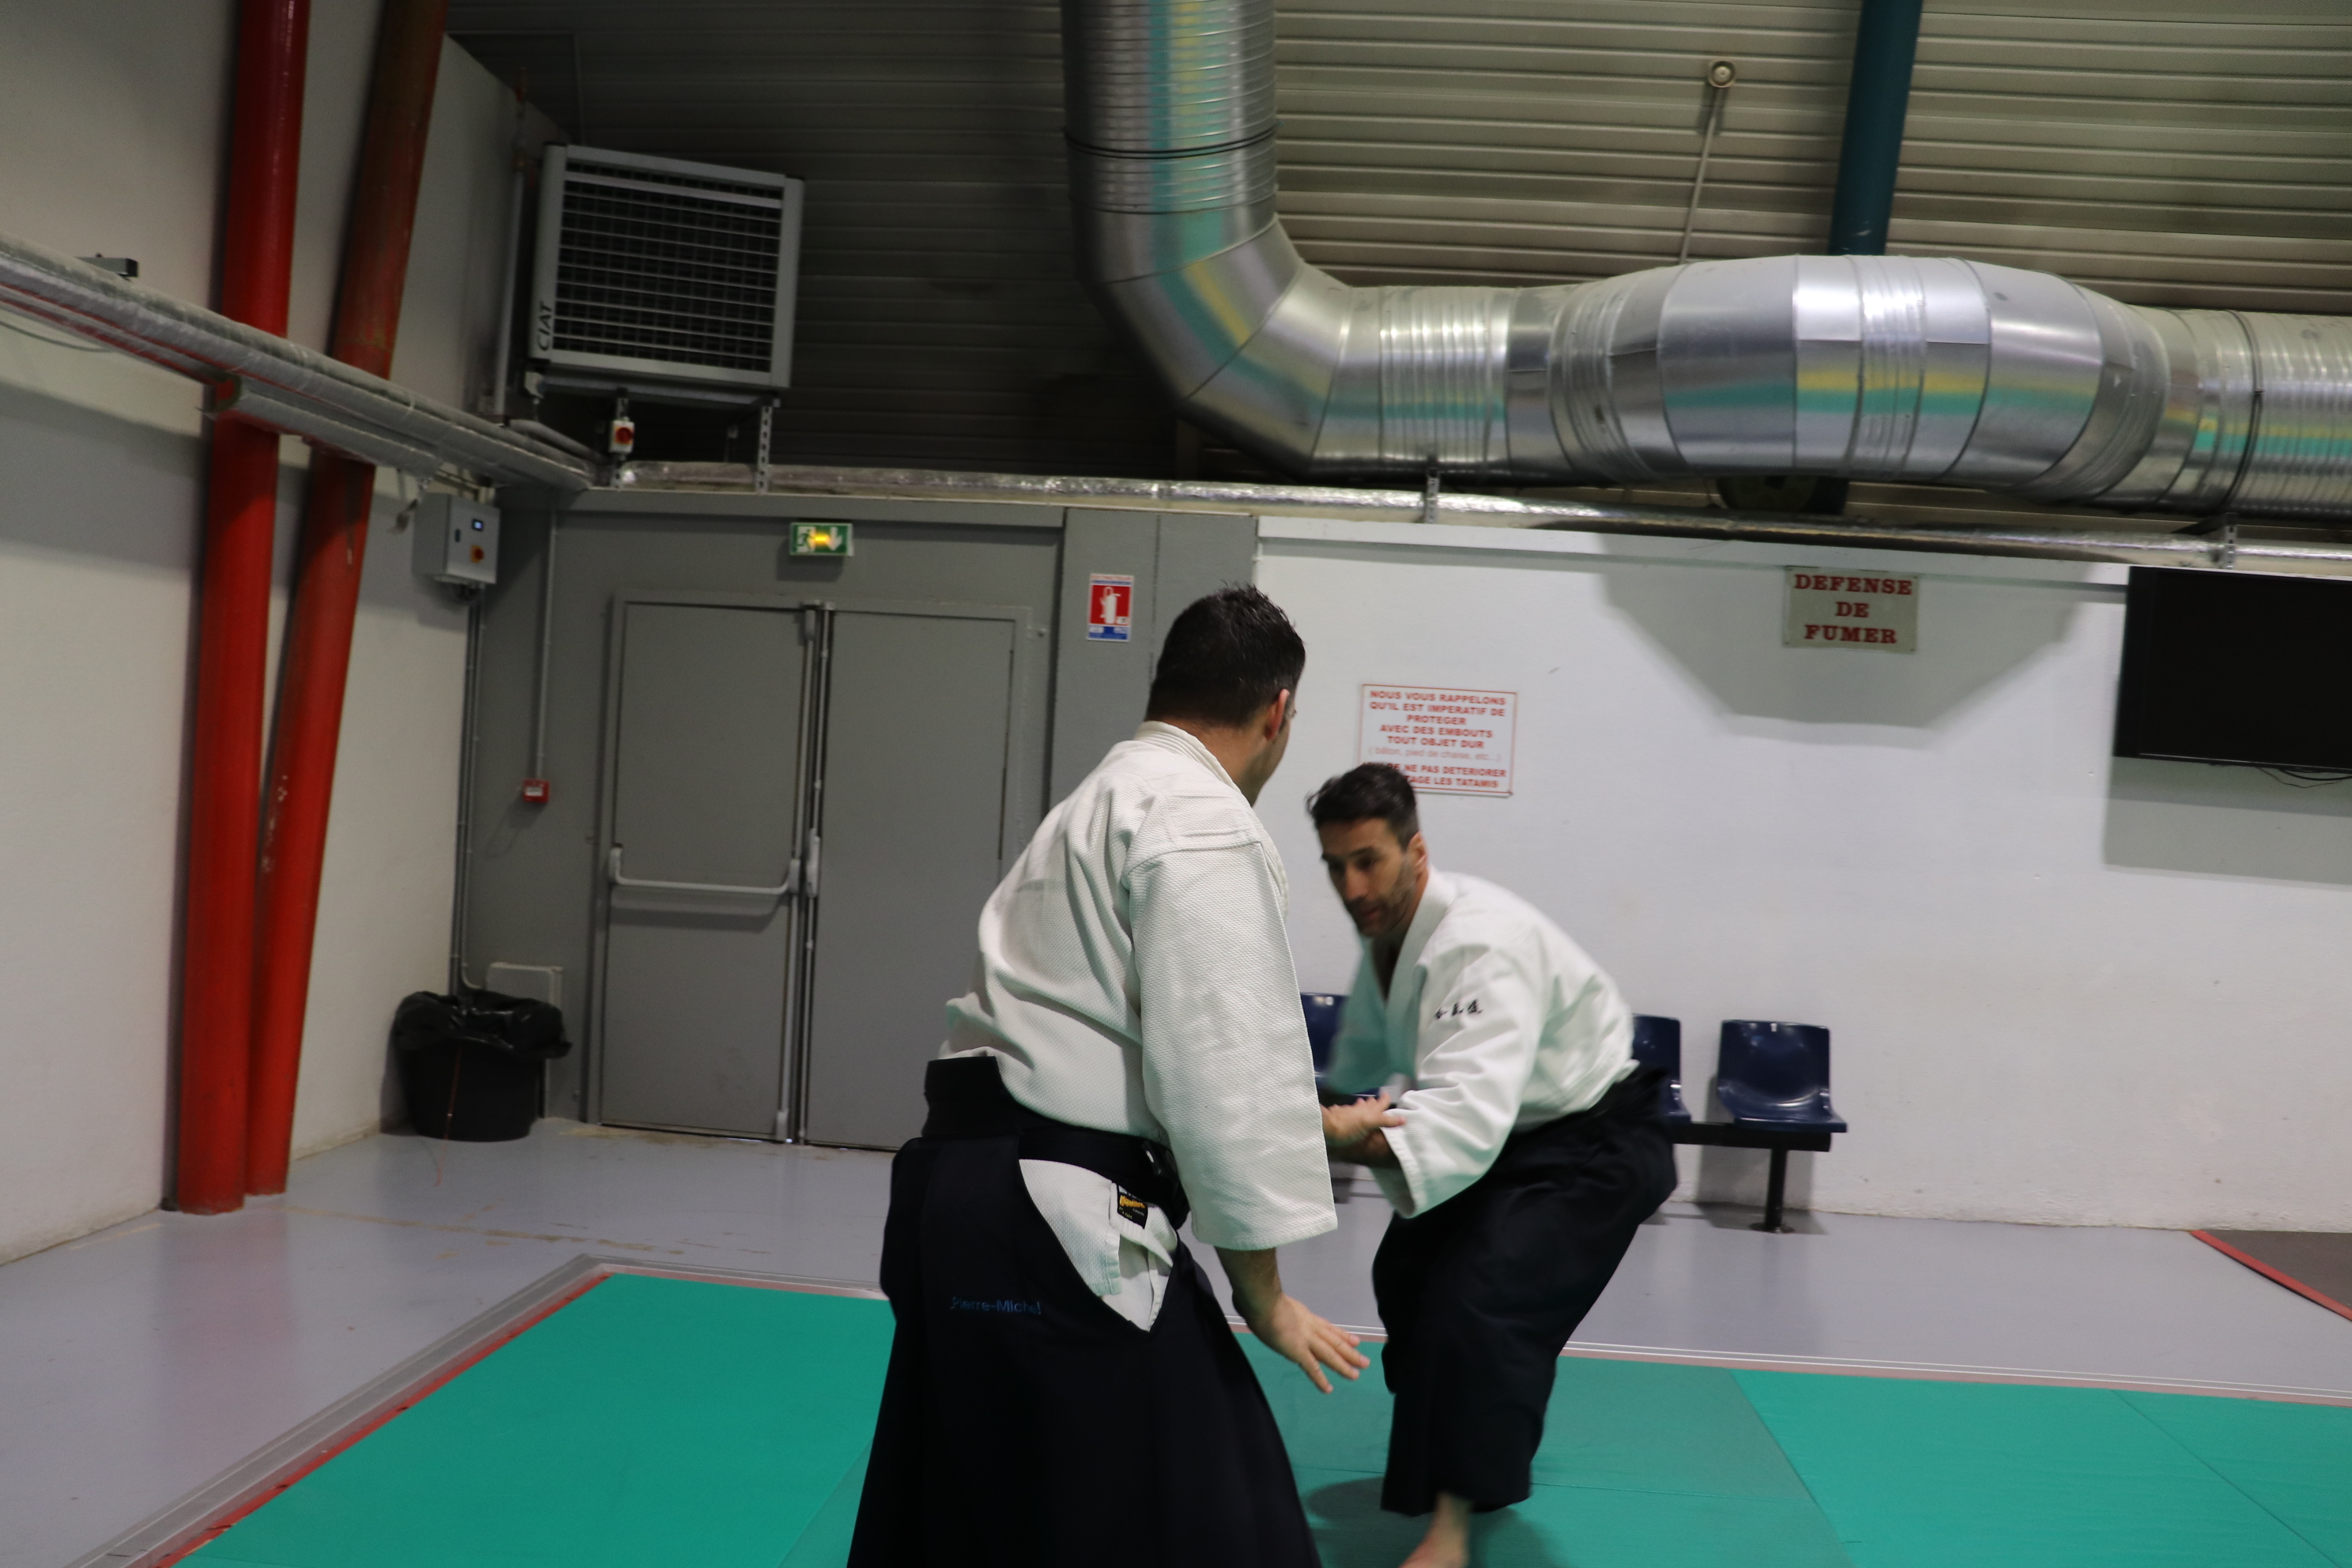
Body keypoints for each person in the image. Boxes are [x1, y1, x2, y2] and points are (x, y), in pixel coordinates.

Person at [850, 586, 1366, 1568]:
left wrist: (1314, 1125)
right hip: (1056, 1216)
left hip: (952, 1200)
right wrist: (1264, 1295)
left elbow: (1103, 1036)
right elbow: (1222, 1072)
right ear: (1278, 712)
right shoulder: (1201, 819)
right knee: (1225, 1517)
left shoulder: (1088, 806)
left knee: (969, 1521)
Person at [1310, 763, 1675, 1568]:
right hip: (1517, 1136)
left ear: (1416, 851)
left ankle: (1450, 1531)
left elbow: (1462, 1116)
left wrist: (1325, 1135)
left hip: (1596, 1141)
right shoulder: (1389, 939)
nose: (1352, 886)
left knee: (1478, 1301)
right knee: (1407, 1275)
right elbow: (1355, 1067)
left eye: (1368, 860)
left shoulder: (1476, 944)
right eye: (1335, 866)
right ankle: (1472, 1450)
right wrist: (1283, 1112)